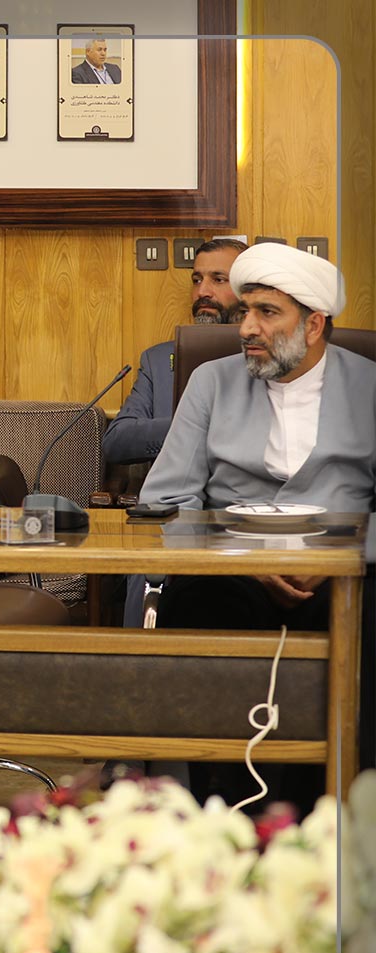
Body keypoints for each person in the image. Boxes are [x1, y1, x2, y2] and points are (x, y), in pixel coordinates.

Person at [141, 243, 374, 810]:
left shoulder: (370, 385)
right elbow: (166, 499)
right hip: (231, 571)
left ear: (313, 325)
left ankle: (341, 810)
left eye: (267, 313)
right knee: (199, 605)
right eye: (245, 311)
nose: (246, 327)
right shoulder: (211, 382)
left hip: (348, 573)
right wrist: (246, 560)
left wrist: (339, 562)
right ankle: (223, 811)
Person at [103, 238, 247, 467]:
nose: (202, 292)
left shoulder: (267, 356)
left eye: (219, 279)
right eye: (197, 280)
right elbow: (117, 441)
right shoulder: (158, 360)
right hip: (174, 488)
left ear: (248, 292)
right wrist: (191, 427)